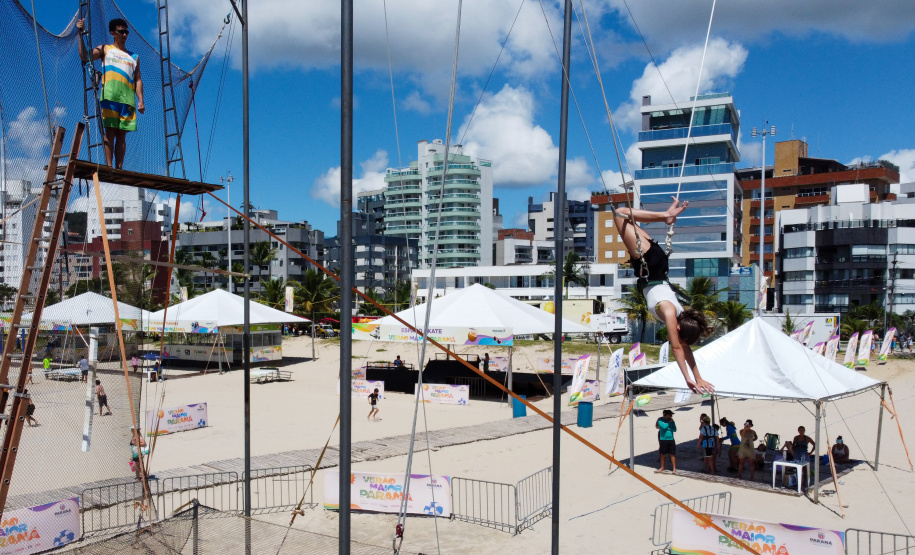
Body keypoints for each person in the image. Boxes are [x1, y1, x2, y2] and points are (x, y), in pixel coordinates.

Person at [613, 199, 714, 393]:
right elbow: (678, 349)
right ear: (677, 328)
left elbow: (686, 350)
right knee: (620, 213)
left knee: (627, 220)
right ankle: (665, 216)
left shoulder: (682, 315)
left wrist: (698, 377)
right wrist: (688, 379)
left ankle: (665, 217)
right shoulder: (669, 313)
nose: (672, 339)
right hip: (650, 265)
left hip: (657, 265)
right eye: (676, 336)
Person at [77, 17, 145, 169]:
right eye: (121, 32)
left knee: (122, 134)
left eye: (126, 32)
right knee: (110, 131)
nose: (125, 35)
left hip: (127, 98)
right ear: (113, 33)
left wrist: (141, 100)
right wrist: (80, 34)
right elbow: (85, 57)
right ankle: (109, 166)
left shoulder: (134, 57)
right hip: (110, 96)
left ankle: (119, 168)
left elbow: (138, 79)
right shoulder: (105, 49)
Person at [655, 409, 677, 474]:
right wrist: (669, 423)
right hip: (663, 439)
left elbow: (675, 429)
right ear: (666, 414)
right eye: (670, 415)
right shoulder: (660, 420)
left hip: (671, 439)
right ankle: (662, 467)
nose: (671, 416)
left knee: (672, 454)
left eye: (671, 415)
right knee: (663, 454)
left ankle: (674, 468)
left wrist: (670, 424)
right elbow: (663, 427)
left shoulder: (672, 421)